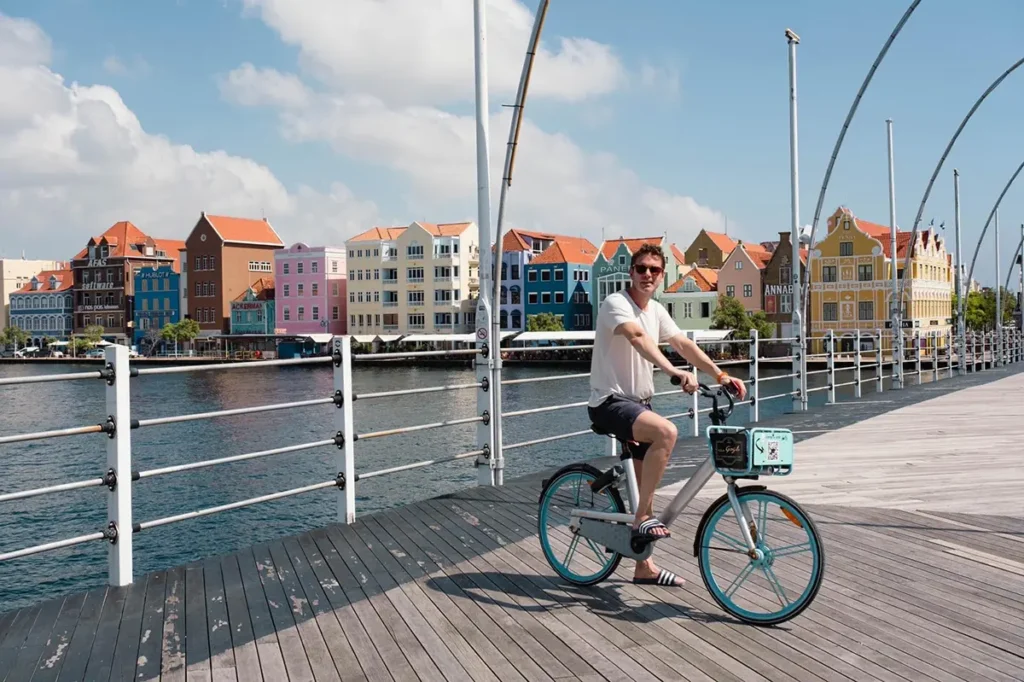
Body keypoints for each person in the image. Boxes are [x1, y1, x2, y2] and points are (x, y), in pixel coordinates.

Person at [587, 243, 747, 587]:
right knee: (667, 432)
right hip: (609, 403)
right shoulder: (616, 303)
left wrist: (720, 376)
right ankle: (642, 520)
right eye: (641, 268)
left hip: (639, 404)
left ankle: (643, 566)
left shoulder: (657, 309)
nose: (647, 274)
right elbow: (637, 338)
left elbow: (684, 344)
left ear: (661, 276)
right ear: (631, 272)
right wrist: (674, 373)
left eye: (654, 270)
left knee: (648, 482)